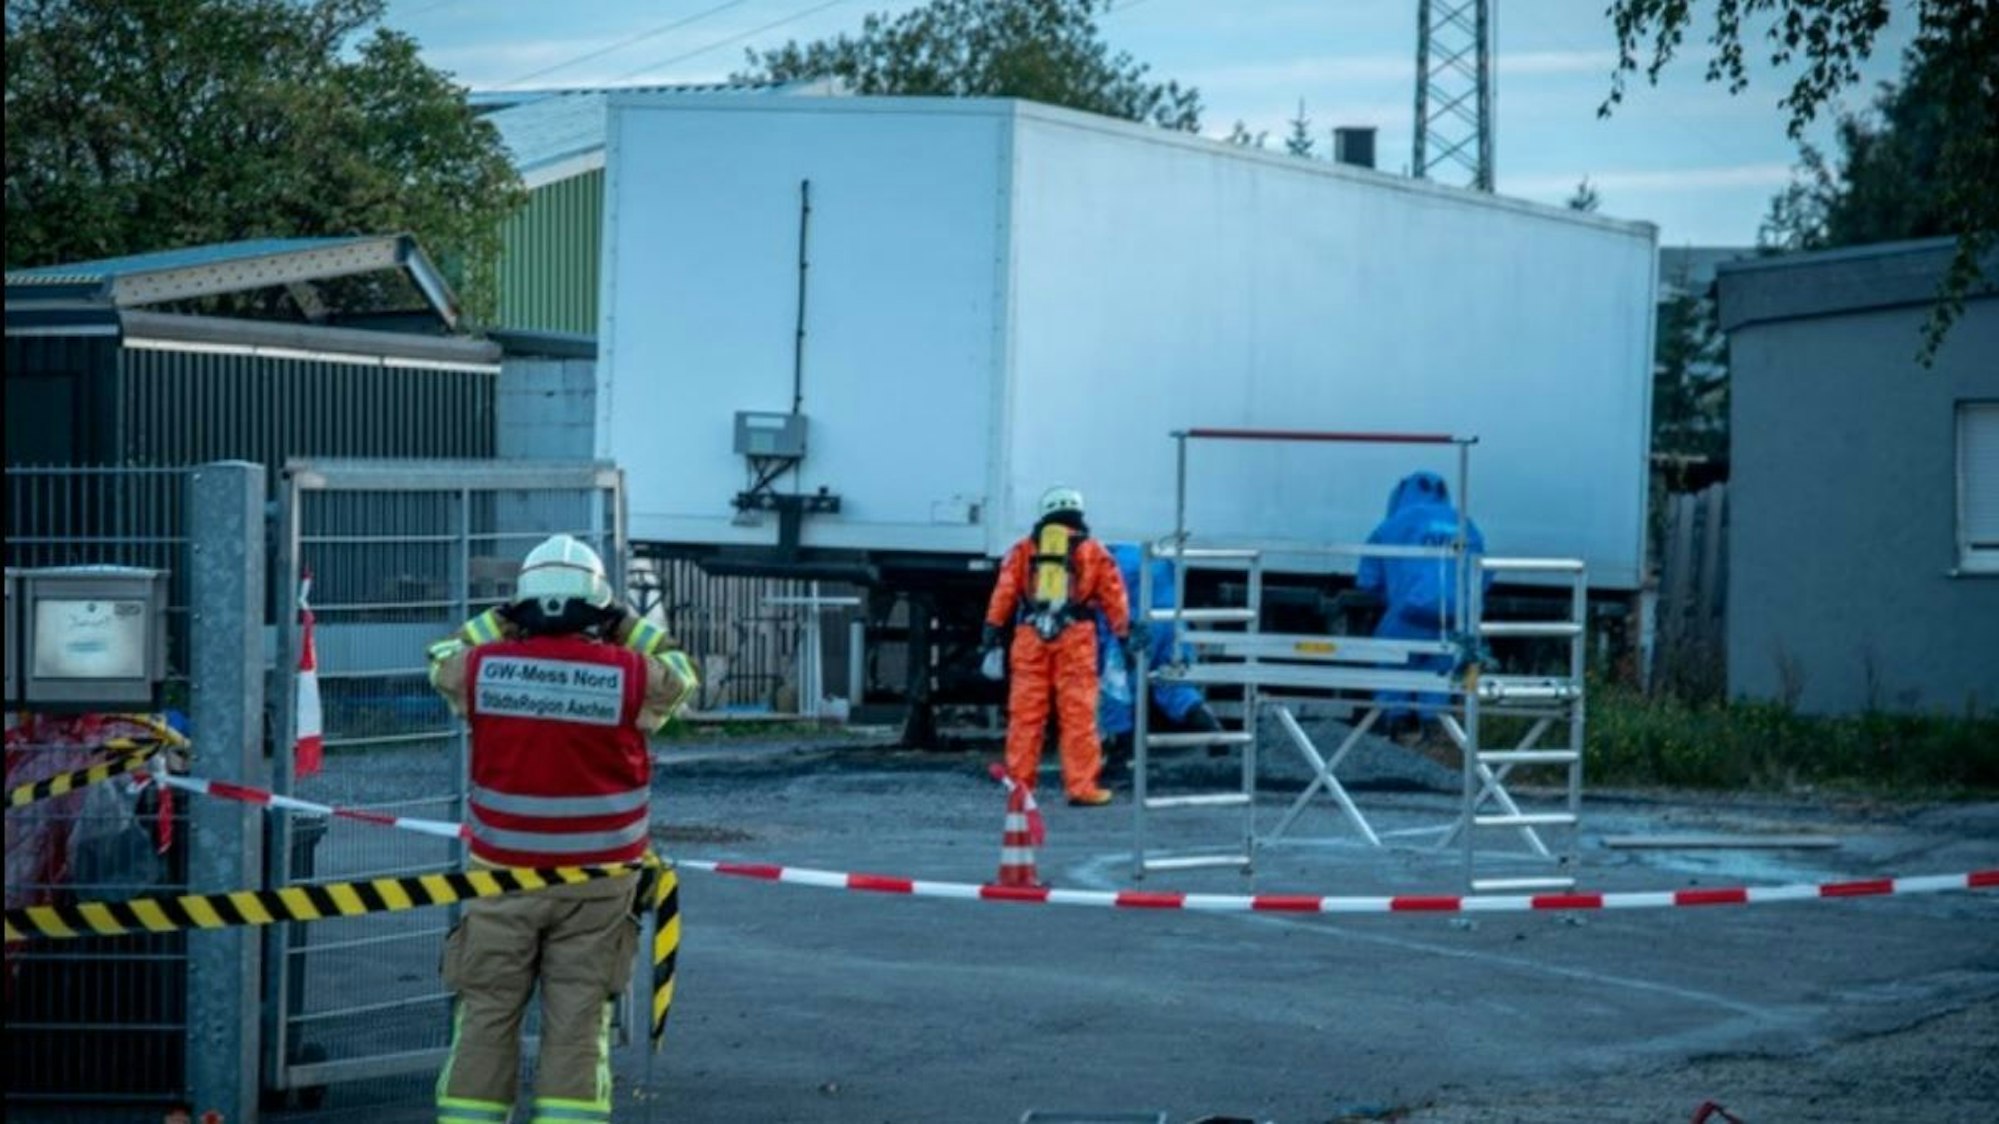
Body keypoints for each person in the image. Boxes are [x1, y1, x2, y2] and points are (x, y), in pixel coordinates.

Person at [424, 533, 698, 1124]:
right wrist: (627, 625)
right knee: (579, 1021)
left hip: (500, 881)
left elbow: (438, 658)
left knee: (486, 1014)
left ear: (522, 604)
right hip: (599, 884)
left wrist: (498, 621)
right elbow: (683, 675)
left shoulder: (481, 667)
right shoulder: (630, 673)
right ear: (598, 606)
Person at [980, 486, 1131, 806]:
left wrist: (992, 628)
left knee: (1026, 715)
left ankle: (1019, 787)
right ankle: (1082, 787)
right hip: (1076, 638)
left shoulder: (1022, 549)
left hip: (1030, 636)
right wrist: (1124, 633)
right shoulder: (1093, 550)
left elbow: (1005, 591)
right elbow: (1113, 595)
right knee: (1078, 715)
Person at [1355, 470, 1491, 740]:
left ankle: (1396, 723)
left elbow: (1368, 580)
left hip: (1408, 616)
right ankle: (1433, 726)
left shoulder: (1393, 525)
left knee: (1392, 660)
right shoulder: (1467, 525)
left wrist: (1394, 596)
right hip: (1455, 619)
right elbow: (1483, 575)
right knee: (1442, 669)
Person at [1095, 543, 1224, 777]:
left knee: (1117, 689)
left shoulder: (1101, 563)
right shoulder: (1147, 557)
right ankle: (1206, 722)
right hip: (1170, 622)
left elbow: (1103, 616)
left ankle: (1120, 757)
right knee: (1173, 683)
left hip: (1136, 625)